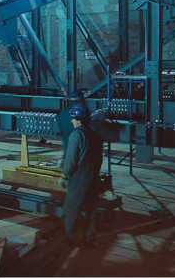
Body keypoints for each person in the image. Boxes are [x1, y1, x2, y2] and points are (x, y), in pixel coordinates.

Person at [60, 101, 103, 245]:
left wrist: (64, 175)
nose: (71, 121)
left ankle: (71, 239)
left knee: (72, 209)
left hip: (79, 178)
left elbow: (71, 160)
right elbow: (99, 158)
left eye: (73, 118)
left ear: (78, 119)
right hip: (93, 176)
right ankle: (89, 238)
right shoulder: (95, 135)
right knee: (91, 209)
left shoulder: (76, 135)